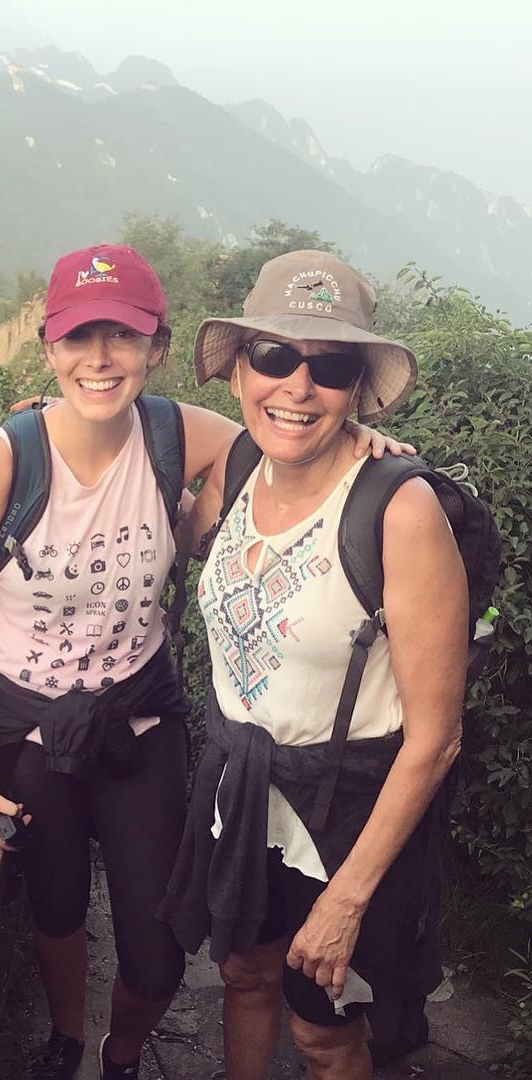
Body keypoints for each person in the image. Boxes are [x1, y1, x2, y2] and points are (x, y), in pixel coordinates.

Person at [0, 244, 407, 1080]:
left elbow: (272, 440)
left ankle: (122, 1051)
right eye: (79, 339)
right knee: (57, 901)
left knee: (156, 955)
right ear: (48, 347)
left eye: (122, 336)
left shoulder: (174, 432)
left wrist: (354, 429)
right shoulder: (7, 460)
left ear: (157, 345)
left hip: (138, 716)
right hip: (28, 718)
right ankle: (68, 1039)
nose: (100, 359)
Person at [158, 250, 466, 1080]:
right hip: (244, 791)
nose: (297, 386)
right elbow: (177, 524)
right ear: (238, 372)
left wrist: (346, 899)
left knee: (325, 1031)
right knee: (245, 975)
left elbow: (435, 740)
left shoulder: (399, 512)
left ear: (358, 390)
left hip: (348, 816)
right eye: (274, 356)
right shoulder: (238, 468)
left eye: (329, 367)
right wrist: (55, 421)